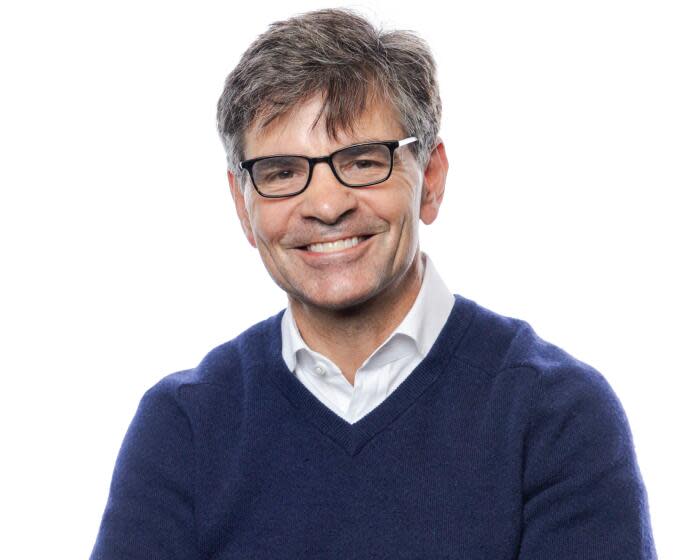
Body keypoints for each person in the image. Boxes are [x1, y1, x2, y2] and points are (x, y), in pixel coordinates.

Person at [90, 9, 656, 559]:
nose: (328, 204)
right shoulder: (185, 428)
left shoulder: (555, 416)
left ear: (430, 180)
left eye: (363, 161)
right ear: (243, 206)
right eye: (283, 173)